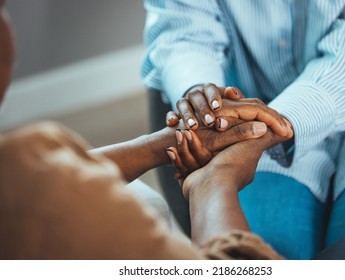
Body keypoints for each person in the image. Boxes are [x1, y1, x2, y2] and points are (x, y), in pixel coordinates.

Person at [0, 0, 287, 259]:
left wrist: (161, 144)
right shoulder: (30, 191)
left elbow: (43, 175)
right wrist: (214, 181)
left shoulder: (29, 166)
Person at [142, 0, 345, 259]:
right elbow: (183, 31)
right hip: (246, 114)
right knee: (264, 249)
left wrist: (263, 128)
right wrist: (204, 101)